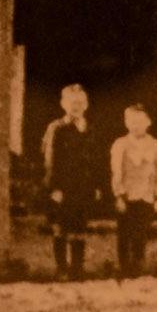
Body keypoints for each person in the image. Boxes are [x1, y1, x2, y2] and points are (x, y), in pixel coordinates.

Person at [33, 82, 105, 276]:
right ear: (63, 104)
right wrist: (54, 187)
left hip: (84, 186)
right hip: (63, 187)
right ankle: (62, 268)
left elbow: (96, 159)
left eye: (80, 102)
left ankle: (77, 268)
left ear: (86, 105)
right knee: (61, 227)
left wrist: (97, 185)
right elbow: (50, 160)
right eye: (72, 102)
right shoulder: (57, 128)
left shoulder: (90, 128)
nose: (76, 106)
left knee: (80, 227)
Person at [104, 103, 157, 278]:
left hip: (146, 195)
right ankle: (124, 266)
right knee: (125, 231)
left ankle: (138, 265)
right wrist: (119, 195)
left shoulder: (155, 145)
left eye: (140, 121)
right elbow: (116, 171)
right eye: (132, 121)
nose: (136, 125)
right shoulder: (121, 144)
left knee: (141, 231)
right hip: (127, 196)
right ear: (126, 123)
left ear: (149, 122)